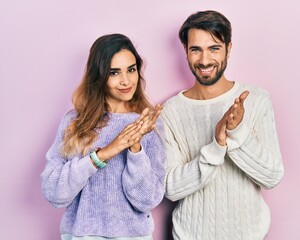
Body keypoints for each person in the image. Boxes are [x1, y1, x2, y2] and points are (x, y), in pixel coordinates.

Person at [161, 10, 284, 240]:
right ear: (186, 52)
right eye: (195, 49)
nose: (205, 60)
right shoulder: (171, 111)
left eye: (214, 48)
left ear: (229, 48)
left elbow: (272, 176)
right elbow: (171, 188)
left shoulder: (257, 99)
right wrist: (217, 146)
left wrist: (236, 134)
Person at [41, 33, 166, 240]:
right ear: (99, 76)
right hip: (82, 236)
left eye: (131, 70)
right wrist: (103, 155)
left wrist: (135, 149)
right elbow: (54, 192)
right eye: (114, 72)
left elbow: (148, 200)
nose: (126, 81)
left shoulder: (149, 124)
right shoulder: (75, 123)